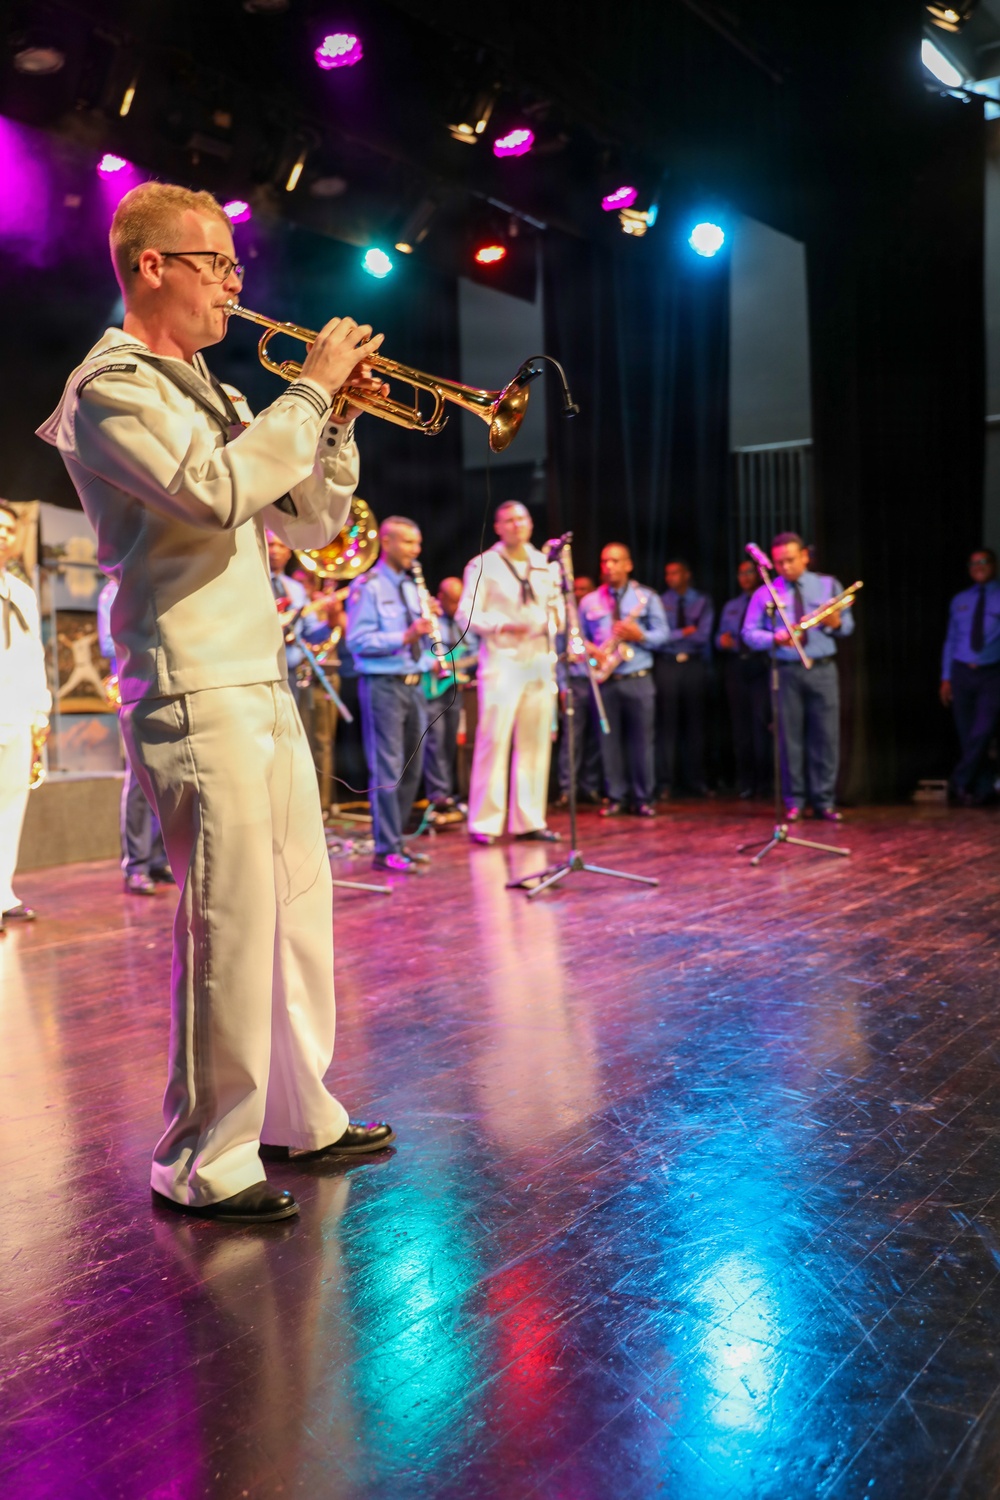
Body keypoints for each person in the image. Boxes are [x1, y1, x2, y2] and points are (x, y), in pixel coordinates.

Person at [37, 180, 393, 1225]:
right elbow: (214, 492)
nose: (237, 288)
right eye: (217, 266)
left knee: (293, 902)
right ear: (152, 267)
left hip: (255, 669)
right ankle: (201, 1158)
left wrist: (334, 426)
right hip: (192, 674)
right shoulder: (109, 386)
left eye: (238, 267)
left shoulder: (217, 389)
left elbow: (309, 524)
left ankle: (297, 1111)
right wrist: (311, 394)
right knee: (230, 915)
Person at [456, 500, 563, 846]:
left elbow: (559, 608)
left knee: (535, 742)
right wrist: (504, 625)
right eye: (508, 520)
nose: (517, 525)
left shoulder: (546, 564)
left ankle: (529, 820)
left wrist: (549, 623)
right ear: (498, 527)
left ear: (531, 524)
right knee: (494, 739)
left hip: (539, 659)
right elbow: (465, 614)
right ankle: (485, 822)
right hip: (503, 660)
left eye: (522, 518)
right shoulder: (483, 564)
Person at [742, 531, 854, 822]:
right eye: (779, 562)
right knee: (789, 738)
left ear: (805, 556)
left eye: (791, 560)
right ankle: (795, 801)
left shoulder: (828, 584)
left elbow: (847, 628)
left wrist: (834, 621)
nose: (785, 567)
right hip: (787, 671)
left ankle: (824, 800)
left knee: (826, 737)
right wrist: (774, 638)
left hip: (822, 669)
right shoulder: (765, 592)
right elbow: (749, 633)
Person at [345, 516, 436, 872]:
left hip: (415, 684)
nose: (416, 550)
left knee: (413, 769)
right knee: (388, 768)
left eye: (418, 543)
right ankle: (386, 850)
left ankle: (398, 841)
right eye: (409, 543)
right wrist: (405, 637)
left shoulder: (412, 587)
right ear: (388, 542)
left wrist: (429, 634)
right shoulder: (367, 586)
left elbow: (421, 640)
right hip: (383, 686)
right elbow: (357, 641)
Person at [578, 544, 669, 816]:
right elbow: (576, 638)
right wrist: (589, 648)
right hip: (606, 678)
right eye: (605, 561)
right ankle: (615, 796)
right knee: (609, 742)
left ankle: (643, 798)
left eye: (616, 561)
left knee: (642, 741)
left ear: (628, 565)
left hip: (637, 677)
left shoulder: (647, 597)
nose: (610, 566)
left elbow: (664, 635)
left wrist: (639, 635)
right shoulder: (589, 601)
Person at [97, 576, 174, 895]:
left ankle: (158, 858)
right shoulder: (113, 591)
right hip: (134, 688)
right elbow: (107, 643)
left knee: (166, 774)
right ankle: (137, 864)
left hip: (164, 685)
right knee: (138, 778)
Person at [0, 501, 51, 934]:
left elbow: (35, 655)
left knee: (13, 802)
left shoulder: (22, 593)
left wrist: (41, 709)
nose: (2, 533)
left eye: (7, 528)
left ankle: (4, 894)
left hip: (17, 714)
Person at [940, 547, 1000, 805]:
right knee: (967, 734)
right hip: (962, 671)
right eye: (974, 563)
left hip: (991, 671)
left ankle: (960, 780)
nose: (979, 566)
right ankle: (982, 789)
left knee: (983, 730)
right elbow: (951, 640)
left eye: (984, 562)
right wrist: (946, 677)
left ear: (994, 566)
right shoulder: (960, 599)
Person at [653, 558, 714, 798]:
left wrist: (676, 635)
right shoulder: (660, 601)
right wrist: (683, 632)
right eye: (667, 574)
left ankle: (696, 780)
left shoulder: (702, 600)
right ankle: (666, 782)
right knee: (667, 725)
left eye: (675, 573)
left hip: (693, 665)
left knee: (695, 725)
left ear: (686, 574)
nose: (670, 578)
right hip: (667, 665)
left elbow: (702, 637)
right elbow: (659, 637)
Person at [716, 560, 770, 799]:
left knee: (762, 725)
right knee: (741, 728)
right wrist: (721, 642)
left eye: (749, 572)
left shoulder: (767, 600)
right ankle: (746, 782)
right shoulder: (731, 605)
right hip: (736, 665)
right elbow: (718, 637)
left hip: (760, 664)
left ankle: (766, 783)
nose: (745, 577)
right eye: (740, 573)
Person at [422, 575, 475, 820]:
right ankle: (438, 795)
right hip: (433, 690)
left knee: (450, 743)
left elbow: (471, 652)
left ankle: (448, 793)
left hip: (454, 690)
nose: (456, 606)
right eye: (453, 601)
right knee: (435, 742)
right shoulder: (430, 619)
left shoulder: (461, 623)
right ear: (441, 597)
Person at [555, 573, 603, 808]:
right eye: (577, 590)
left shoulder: (595, 617)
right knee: (571, 739)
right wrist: (563, 687)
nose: (580, 595)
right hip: (574, 682)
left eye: (586, 590)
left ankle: (590, 786)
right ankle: (567, 789)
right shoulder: (565, 620)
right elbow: (558, 656)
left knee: (595, 737)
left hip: (598, 681)